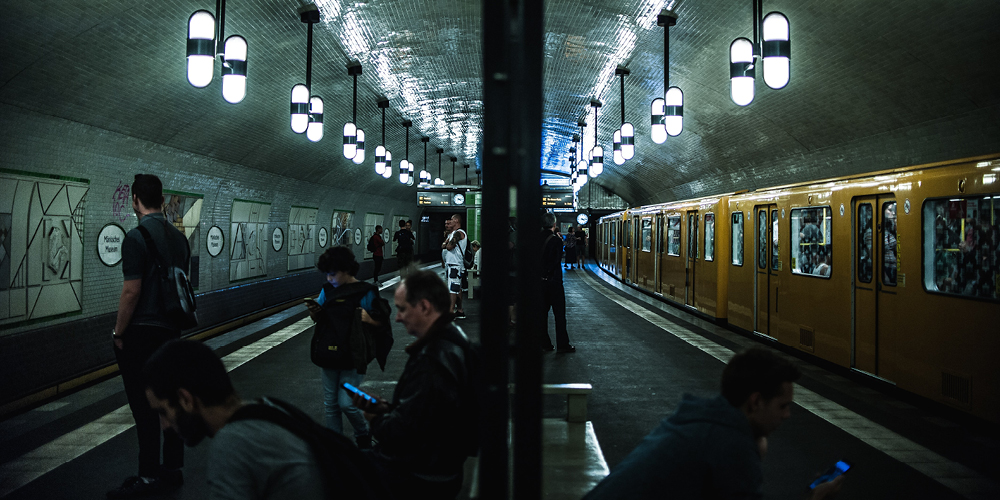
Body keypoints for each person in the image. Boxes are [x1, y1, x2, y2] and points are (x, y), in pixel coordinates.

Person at [583, 347, 845, 500]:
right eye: (783, 406)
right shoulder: (730, 445)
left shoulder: (699, 421)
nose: (787, 415)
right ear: (755, 402)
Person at [143, 340, 335, 500]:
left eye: (163, 412)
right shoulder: (271, 408)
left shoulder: (233, 444)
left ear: (185, 399)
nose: (164, 425)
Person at [352, 269, 478, 499]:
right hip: (440, 468)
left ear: (424, 306)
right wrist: (389, 410)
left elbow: (404, 433)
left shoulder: (433, 362)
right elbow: (426, 414)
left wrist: (375, 417)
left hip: (418, 476)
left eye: (402, 309)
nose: (398, 317)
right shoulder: (454, 340)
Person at [108, 174, 189, 499]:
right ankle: (172, 469)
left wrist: (118, 332)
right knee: (168, 400)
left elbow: (131, 291)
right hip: (172, 331)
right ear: (161, 198)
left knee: (144, 408)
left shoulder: (136, 237)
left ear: (135, 199)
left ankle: (147, 475)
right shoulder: (179, 238)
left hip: (142, 334)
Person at [304, 246, 383, 449]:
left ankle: (363, 433)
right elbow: (319, 318)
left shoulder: (366, 292)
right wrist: (314, 312)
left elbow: (381, 323)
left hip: (354, 355)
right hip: (329, 353)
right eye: (327, 274)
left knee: (346, 403)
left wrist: (370, 320)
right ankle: (336, 447)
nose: (329, 279)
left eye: (333, 274)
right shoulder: (327, 290)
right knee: (331, 404)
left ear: (346, 270)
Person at [541, 212, 574, 353]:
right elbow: (556, 261)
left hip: (539, 283)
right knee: (559, 315)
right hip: (554, 282)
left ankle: (545, 344)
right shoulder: (556, 240)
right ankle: (562, 345)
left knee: (542, 315)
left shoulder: (534, 238)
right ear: (554, 225)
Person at [441, 214, 468, 319]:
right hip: (452, 264)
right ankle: (459, 310)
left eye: (451, 220)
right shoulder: (452, 234)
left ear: (456, 221)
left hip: (455, 264)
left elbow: (448, 247)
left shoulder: (459, 233)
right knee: (457, 288)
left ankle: (451, 311)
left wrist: (447, 244)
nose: (449, 223)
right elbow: (444, 245)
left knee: (453, 288)